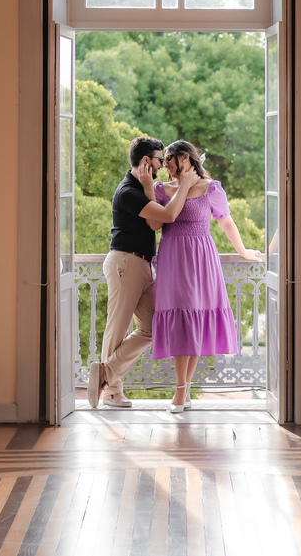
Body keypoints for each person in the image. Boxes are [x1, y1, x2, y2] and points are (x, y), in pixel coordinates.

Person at [87, 137, 201, 408]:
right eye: (160, 159)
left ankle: (107, 372)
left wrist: (150, 186)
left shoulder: (141, 187)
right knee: (116, 328)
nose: (164, 165)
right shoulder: (129, 191)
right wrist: (184, 185)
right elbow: (165, 218)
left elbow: (153, 224)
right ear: (146, 161)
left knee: (153, 326)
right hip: (126, 264)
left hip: (142, 265)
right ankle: (112, 391)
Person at [151, 140, 261, 413]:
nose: (165, 165)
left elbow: (226, 221)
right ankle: (181, 390)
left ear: (184, 158)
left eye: (169, 159)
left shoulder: (211, 188)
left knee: (195, 318)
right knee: (180, 319)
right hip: (173, 257)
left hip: (201, 258)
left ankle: (183, 389)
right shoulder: (162, 189)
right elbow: (155, 223)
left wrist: (243, 250)